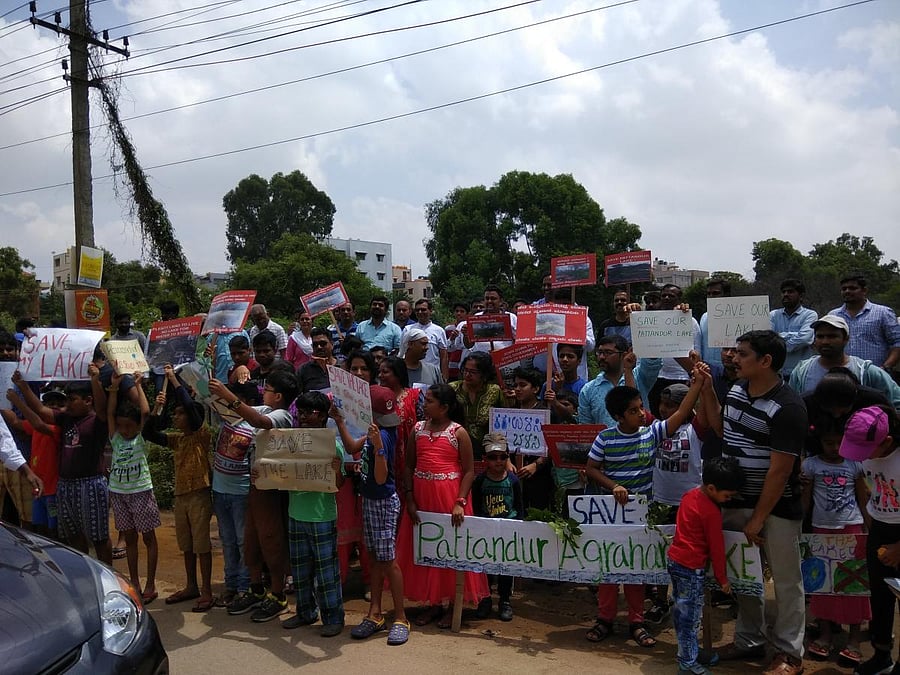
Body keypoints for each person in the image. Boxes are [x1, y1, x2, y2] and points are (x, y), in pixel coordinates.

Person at [709, 330, 808, 675]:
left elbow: (780, 473)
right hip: (736, 503)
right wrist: (705, 388)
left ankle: (789, 652)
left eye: (742, 354)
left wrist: (757, 519)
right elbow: (724, 430)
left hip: (776, 510)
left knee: (785, 580)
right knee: (745, 578)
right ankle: (748, 640)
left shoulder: (789, 408)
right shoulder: (737, 391)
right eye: (735, 352)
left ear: (766, 361)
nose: (733, 358)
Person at [584, 376, 704, 649]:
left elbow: (683, 412)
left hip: (643, 517)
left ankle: (636, 621)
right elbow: (591, 468)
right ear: (618, 416)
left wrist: (697, 384)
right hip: (611, 518)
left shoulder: (652, 433)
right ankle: (605, 618)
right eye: (633, 410)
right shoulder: (605, 438)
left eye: (641, 407)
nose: (641, 413)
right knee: (608, 568)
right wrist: (614, 486)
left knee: (636, 570)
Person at [397, 383, 489, 629]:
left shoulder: (458, 432)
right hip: (422, 496)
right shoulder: (417, 429)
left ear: (445, 407)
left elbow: (469, 471)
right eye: (424, 400)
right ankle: (433, 603)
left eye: (429, 401)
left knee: (450, 549)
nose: (424, 404)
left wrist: (460, 501)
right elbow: (408, 466)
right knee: (426, 547)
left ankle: (451, 606)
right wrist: (410, 498)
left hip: (449, 497)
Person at [209, 370, 297, 623]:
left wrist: (228, 396)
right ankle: (256, 588)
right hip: (255, 481)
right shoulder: (263, 407)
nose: (262, 392)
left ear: (278, 396)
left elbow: (259, 422)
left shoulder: (282, 415)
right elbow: (237, 413)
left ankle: (278, 595)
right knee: (251, 539)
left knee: (271, 537)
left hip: (273, 484)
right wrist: (215, 393)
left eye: (267, 388)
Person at [14, 368, 111, 562]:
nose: (67, 404)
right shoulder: (66, 419)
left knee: (98, 537)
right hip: (65, 485)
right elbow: (41, 411)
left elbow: (102, 408)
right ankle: (84, 574)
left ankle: (108, 575)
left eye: (72, 399)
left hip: (90, 484)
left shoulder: (97, 421)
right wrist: (23, 387)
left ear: (88, 400)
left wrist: (95, 380)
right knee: (72, 535)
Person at [146, 365, 215, 613]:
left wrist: (175, 381)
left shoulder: (200, 434)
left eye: (179, 414)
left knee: (201, 545)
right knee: (186, 545)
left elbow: (192, 412)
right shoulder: (178, 439)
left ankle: (206, 590)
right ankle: (191, 586)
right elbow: (149, 433)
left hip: (199, 494)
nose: (175, 418)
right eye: (173, 414)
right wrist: (157, 408)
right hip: (181, 496)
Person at [801, 416, 870, 666]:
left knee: (854, 585)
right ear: (819, 442)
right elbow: (806, 502)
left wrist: (868, 532)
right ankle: (826, 634)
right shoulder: (810, 466)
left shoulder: (855, 466)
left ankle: (854, 641)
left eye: (838, 442)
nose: (833, 447)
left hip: (852, 529)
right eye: (828, 443)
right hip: (821, 531)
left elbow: (864, 501)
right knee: (823, 584)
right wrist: (800, 530)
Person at [667, 456, 744, 675]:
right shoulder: (711, 512)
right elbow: (716, 547)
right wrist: (722, 578)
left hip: (676, 561)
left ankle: (690, 652)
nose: (728, 500)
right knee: (690, 617)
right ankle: (687, 662)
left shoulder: (689, 496)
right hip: (691, 567)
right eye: (727, 495)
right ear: (711, 488)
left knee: (683, 613)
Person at [838, 406, 900, 675]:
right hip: (880, 529)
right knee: (880, 597)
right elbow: (869, 486)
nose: (859, 458)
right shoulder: (867, 452)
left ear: (886, 442)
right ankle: (882, 655)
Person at [349, 386, 411, 646]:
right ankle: (374, 614)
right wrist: (341, 421)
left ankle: (400, 617)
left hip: (384, 503)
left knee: (388, 562)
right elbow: (352, 445)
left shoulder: (383, 436)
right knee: (374, 558)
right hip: (369, 501)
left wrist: (377, 448)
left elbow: (381, 477)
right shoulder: (372, 432)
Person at [281, 391, 346, 637]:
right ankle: (305, 612)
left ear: (322, 417)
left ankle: (333, 617)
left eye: (310, 413)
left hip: (321, 515)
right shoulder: (290, 443)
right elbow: (277, 472)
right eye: (302, 412)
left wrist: (337, 469)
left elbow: (339, 484)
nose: (305, 417)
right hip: (296, 512)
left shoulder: (333, 445)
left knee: (326, 570)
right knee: (300, 569)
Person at [646, 382, 708, 625]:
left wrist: (701, 382)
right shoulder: (656, 427)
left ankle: (690, 602)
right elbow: (636, 400)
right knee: (661, 555)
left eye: (671, 405)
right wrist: (629, 371)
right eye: (662, 404)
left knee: (690, 557)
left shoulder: (696, 429)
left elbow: (703, 406)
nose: (663, 409)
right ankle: (661, 601)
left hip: (689, 506)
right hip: (660, 502)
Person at [107, 371, 160, 605]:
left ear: (136, 426)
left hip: (141, 491)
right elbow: (109, 413)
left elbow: (146, 412)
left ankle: (150, 583)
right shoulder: (115, 437)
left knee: (148, 537)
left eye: (129, 426)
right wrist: (113, 389)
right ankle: (135, 583)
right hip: (119, 494)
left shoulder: (140, 437)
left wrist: (138, 386)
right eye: (121, 426)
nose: (125, 430)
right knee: (129, 538)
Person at [207, 380, 256, 609]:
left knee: (241, 541)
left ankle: (244, 588)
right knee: (227, 541)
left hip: (241, 494)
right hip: (220, 491)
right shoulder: (225, 419)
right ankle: (231, 585)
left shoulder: (255, 426)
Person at [788, 315, 900, 407]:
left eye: (832, 336)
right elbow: (792, 406)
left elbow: (896, 401)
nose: (825, 341)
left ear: (846, 339)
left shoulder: (866, 372)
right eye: (820, 336)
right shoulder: (801, 372)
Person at [472, 432, 524, 621]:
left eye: (503, 456)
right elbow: (476, 507)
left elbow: (519, 506)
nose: (498, 461)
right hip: (485, 531)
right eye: (493, 457)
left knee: (505, 568)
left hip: (507, 531)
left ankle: (505, 600)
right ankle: (485, 600)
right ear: (485, 459)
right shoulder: (479, 481)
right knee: (485, 567)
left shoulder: (513, 481)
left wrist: (519, 527)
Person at [2, 387, 61, 539]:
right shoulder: (35, 427)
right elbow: (15, 421)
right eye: (49, 403)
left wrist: (18, 402)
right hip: (37, 489)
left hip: (53, 491)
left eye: (58, 404)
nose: (54, 406)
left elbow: (39, 425)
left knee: (54, 530)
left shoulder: (58, 428)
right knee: (38, 528)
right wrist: (2, 404)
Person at [577, 334, 661, 428]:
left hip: (641, 441)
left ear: (624, 355)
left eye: (608, 352)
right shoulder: (588, 390)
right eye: (599, 352)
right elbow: (586, 428)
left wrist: (651, 332)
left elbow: (652, 363)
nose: (601, 357)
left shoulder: (639, 376)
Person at [648, 284, 702, 416]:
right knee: (657, 414)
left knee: (680, 416)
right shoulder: (651, 320)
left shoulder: (691, 321)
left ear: (679, 298)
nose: (666, 298)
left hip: (681, 377)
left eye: (671, 295)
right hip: (656, 378)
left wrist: (692, 374)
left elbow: (697, 351)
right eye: (663, 295)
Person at [829, 275, 900, 371]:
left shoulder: (883, 313)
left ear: (864, 290)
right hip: (841, 375)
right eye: (844, 289)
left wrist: (885, 368)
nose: (847, 291)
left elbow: (896, 342)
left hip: (875, 374)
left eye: (852, 288)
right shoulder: (833, 315)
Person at [378, 356, 422, 504]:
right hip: (385, 457)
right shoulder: (377, 398)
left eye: (385, 372)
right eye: (379, 372)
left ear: (398, 374)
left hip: (410, 458)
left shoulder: (415, 396)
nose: (380, 376)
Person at [508, 366, 553, 511]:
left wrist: (536, 465)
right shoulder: (509, 412)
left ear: (535, 389)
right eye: (515, 385)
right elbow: (500, 440)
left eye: (523, 385)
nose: (518, 389)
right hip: (512, 474)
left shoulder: (545, 413)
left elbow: (553, 446)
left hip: (539, 477)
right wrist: (507, 461)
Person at [450, 352, 504, 460]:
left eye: (473, 372)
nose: (467, 375)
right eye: (465, 370)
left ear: (484, 374)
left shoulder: (494, 391)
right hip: (455, 446)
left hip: (486, 450)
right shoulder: (452, 389)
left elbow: (502, 421)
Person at [769, 279, 817, 377]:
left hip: (802, 373)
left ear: (801, 296)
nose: (786, 294)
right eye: (783, 292)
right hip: (777, 374)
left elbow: (805, 339)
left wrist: (779, 337)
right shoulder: (773, 315)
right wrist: (795, 335)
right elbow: (769, 339)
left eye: (790, 292)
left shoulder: (810, 315)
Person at [459, 284, 517, 353]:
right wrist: (466, 335)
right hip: (480, 360)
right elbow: (469, 345)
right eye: (487, 298)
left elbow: (518, 342)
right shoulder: (476, 318)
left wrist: (502, 352)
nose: (489, 301)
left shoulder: (512, 317)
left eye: (493, 298)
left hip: (504, 360)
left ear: (501, 301)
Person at [408, 298, 449, 381]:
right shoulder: (408, 330)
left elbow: (443, 355)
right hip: (412, 371)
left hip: (432, 373)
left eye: (423, 310)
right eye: (417, 310)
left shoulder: (439, 330)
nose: (420, 312)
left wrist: (444, 377)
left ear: (430, 311)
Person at [698, 277, 731, 369]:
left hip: (732, 369)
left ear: (726, 294)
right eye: (708, 294)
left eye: (716, 293)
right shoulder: (704, 317)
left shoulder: (739, 317)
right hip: (708, 369)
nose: (711, 296)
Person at [298, 327, 337, 392]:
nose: (319, 347)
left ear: (332, 344)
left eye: (323, 344)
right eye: (315, 345)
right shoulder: (304, 370)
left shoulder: (343, 367)